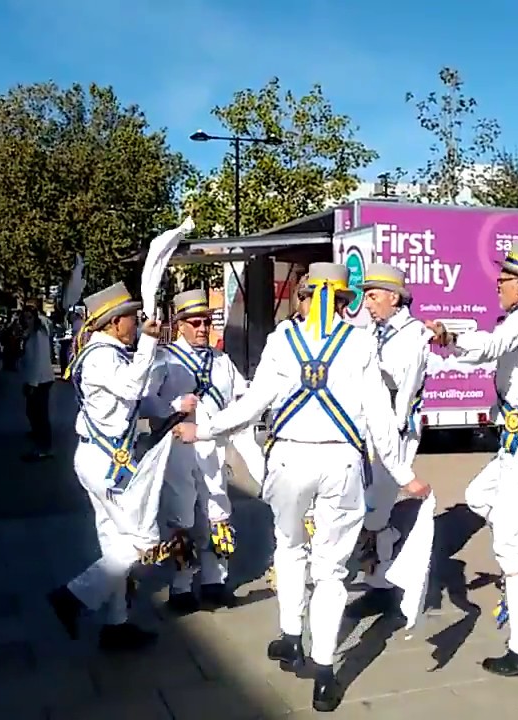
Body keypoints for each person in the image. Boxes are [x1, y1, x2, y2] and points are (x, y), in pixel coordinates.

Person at [173, 263, 429, 712]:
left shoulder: (282, 341)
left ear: (306, 296)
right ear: (345, 300)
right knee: (331, 569)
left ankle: (291, 635)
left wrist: (206, 429)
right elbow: (381, 420)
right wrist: (404, 474)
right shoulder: (360, 342)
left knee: (290, 548)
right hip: (341, 462)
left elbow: (252, 405)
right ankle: (324, 670)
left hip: (290, 459)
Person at [425, 241, 518, 679]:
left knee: (510, 549)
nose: (497, 285)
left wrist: (449, 337)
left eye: (503, 280)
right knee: (479, 495)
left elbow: (492, 346)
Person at [46, 281, 164, 651]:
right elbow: (130, 390)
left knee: (113, 542)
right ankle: (73, 596)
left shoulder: (105, 352)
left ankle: (115, 625)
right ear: (114, 323)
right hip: (108, 464)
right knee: (145, 538)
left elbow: (131, 404)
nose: (137, 323)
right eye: (132, 318)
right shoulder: (101, 355)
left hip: (104, 459)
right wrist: (148, 343)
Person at [142, 289, 248, 612]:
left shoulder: (222, 361)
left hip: (213, 448)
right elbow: (144, 401)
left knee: (217, 510)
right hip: (178, 448)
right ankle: (181, 585)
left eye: (206, 321)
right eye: (195, 322)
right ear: (180, 324)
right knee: (183, 515)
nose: (203, 328)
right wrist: (172, 405)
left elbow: (244, 395)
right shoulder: (165, 359)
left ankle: (215, 580)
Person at [351, 262, 432, 618]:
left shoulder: (413, 334)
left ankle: (382, 585)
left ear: (393, 298)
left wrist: (368, 369)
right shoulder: (373, 331)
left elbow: (405, 383)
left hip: (394, 430)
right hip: (369, 429)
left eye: (372, 297)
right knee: (370, 502)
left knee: (376, 505)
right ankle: (380, 574)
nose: (366, 304)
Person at [20, 305, 56, 461]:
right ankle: (38, 437)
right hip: (34, 379)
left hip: (40, 380)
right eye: (25, 317)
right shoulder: (31, 333)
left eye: (30, 317)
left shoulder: (39, 334)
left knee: (40, 414)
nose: (27, 320)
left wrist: (33, 384)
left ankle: (44, 447)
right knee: (32, 411)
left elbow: (39, 360)